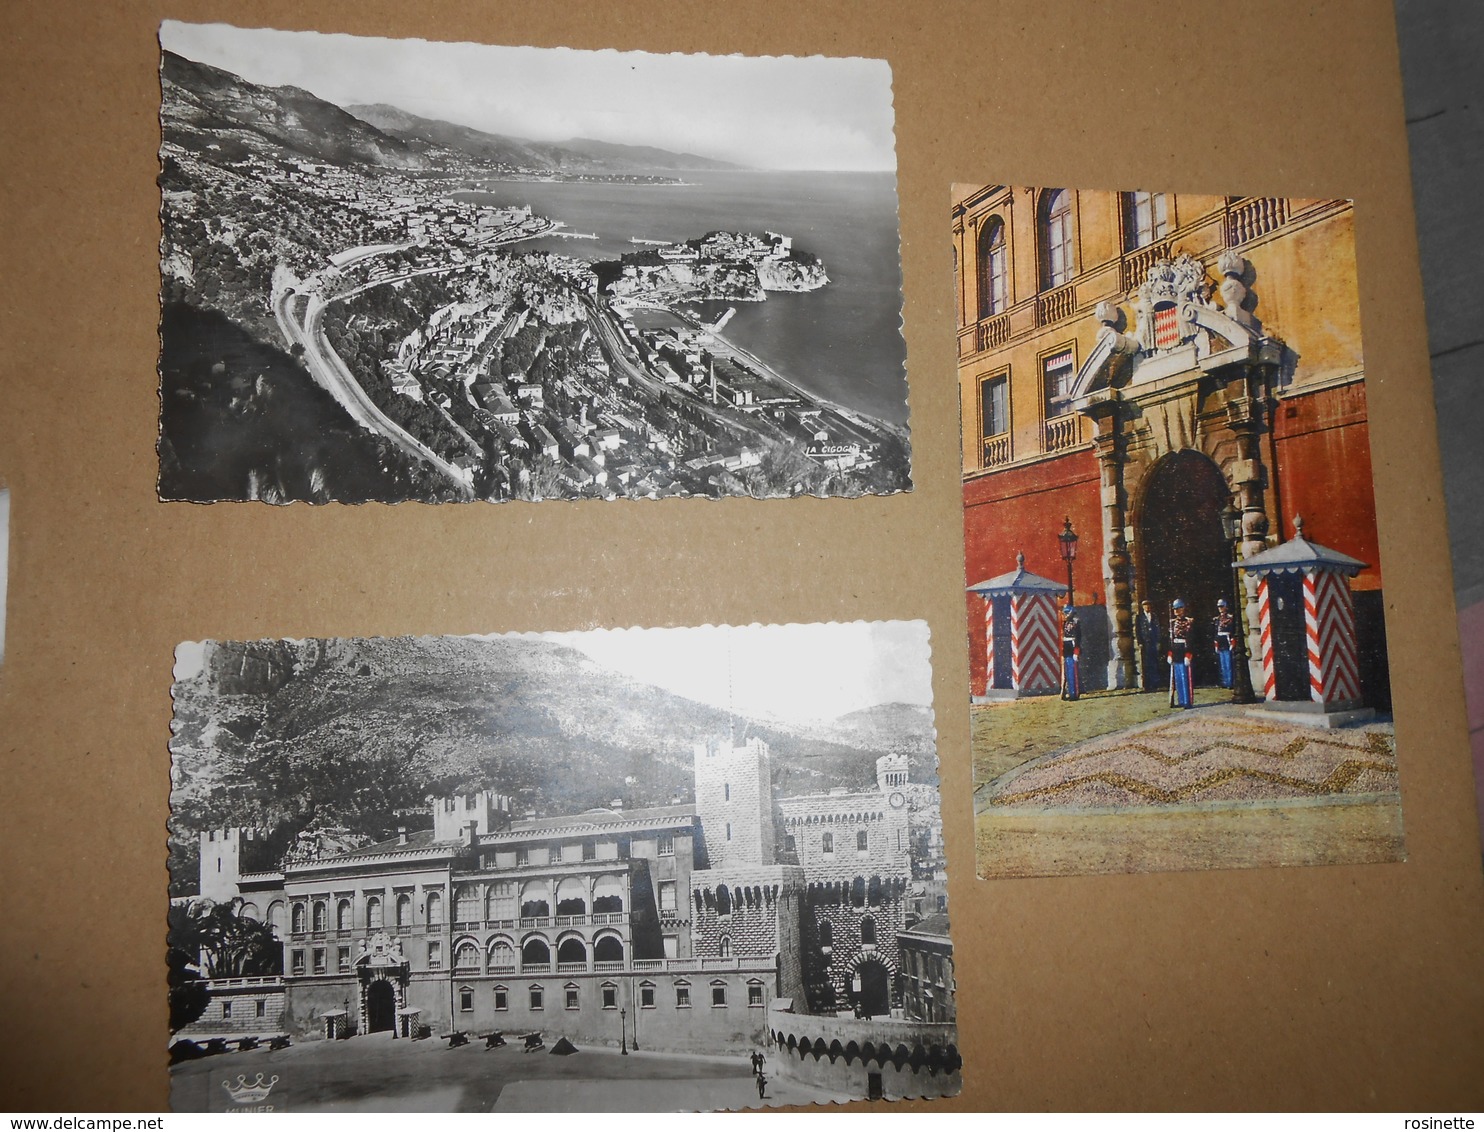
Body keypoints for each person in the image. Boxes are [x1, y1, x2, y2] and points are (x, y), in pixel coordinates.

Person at [1168, 599, 1194, 708]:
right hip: (1175, 650)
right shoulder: (1172, 622)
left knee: (1185, 677)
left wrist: (1188, 654)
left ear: (1183, 609)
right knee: (1177, 678)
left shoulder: (1189, 621)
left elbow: (1191, 639)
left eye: (1179, 609)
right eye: (1175, 609)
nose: (1176, 611)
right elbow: (1169, 640)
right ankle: (1181, 700)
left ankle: (1188, 701)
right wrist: (1169, 653)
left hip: (1184, 649)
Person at [1134, 599, 1161, 692]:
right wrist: (1140, 642)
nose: (1147, 607)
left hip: (1153, 642)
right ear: (1143, 607)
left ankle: (1155, 684)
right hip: (1145, 643)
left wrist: (1158, 642)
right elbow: (1137, 631)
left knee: (1154, 663)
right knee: (1146, 664)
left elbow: (1158, 629)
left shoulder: (1154, 616)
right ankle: (1147, 685)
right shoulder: (1139, 617)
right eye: (1145, 606)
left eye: (1149, 605)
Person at [1212, 598, 1236, 689]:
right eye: (1219, 607)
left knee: (1228, 662)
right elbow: (1216, 631)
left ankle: (1230, 682)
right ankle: (1224, 682)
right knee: (1222, 663)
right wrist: (1216, 643)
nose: (1220, 608)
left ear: (1226, 607)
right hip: (1220, 639)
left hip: (1227, 639)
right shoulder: (1217, 619)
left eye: (1222, 606)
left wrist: (1232, 642)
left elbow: (1232, 631)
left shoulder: (1230, 617)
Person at [1060, 602, 1081, 701]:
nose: (1065, 615)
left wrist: (1076, 651)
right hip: (1067, 647)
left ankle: (1074, 694)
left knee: (1074, 672)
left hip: (1073, 646)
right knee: (1068, 672)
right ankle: (1069, 692)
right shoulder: (1065, 622)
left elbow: (1078, 638)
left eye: (1067, 613)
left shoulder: (1076, 622)